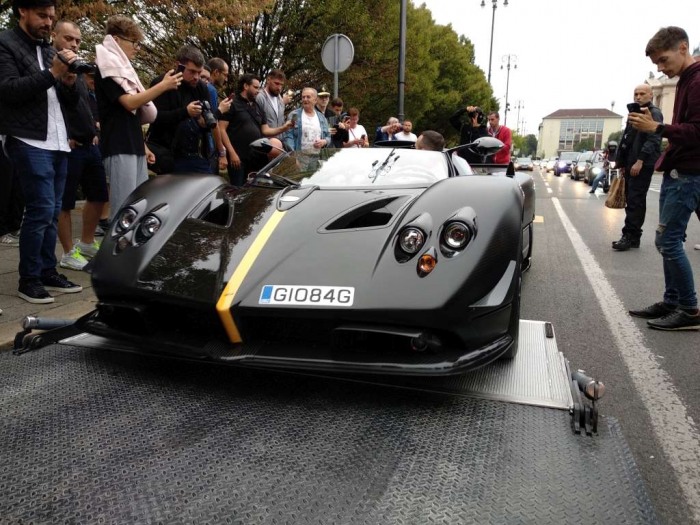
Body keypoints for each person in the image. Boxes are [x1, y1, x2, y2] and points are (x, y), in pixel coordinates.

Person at [0, 0, 84, 304]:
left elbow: (68, 103)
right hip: (28, 139)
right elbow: (8, 89)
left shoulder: (49, 50)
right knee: (40, 210)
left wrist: (71, 83)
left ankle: (48, 271)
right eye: (42, 16)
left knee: (52, 212)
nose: (48, 23)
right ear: (22, 11)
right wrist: (53, 73)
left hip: (59, 140)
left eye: (51, 17)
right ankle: (29, 279)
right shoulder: (5, 43)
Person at [627, 26, 700, 331]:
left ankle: (689, 309)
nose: (659, 67)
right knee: (670, 239)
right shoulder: (686, 80)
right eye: (656, 61)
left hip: (689, 173)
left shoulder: (697, 81)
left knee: (667, 240)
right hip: (679, 170)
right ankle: (672, 301)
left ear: (683, 48)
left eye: (663, 59)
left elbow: (698, 131)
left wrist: (657, 129)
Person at [94, 15, 181, 218]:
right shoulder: (106, 69)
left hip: (134, 146)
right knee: (124, 208)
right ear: (116, 40)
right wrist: (162, 86)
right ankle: (117, 248)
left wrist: (144, 147)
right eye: (134, 42)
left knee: (139, 204)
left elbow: (131, 117)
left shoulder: (123, 70)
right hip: (118, 146)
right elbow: (129, 103)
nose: (137, 48)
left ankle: (132, 247)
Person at [52, 20, 108, 271]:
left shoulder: (79, 72)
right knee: (64, 202)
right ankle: (67, 253)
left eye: (77, 40)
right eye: (68, 38)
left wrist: (93, 130)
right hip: (69, 146)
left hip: (90, 144)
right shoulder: (51, 68)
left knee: (98, 196)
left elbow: (84, 106)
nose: (74, 44)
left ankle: (86, 242)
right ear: (55, 37)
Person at [611, 84, 663, 251]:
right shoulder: (635, 112)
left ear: (651, 95)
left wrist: (640, 161)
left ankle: (629, 235)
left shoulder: (653, 113)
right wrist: (621, 161)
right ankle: (633, 237)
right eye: (636, 94)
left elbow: (654, 139)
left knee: (635, 200)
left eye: (642, 94)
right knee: (631, 199)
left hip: (642, 164)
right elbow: (627, 139)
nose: (638, 97)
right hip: (630, 163)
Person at [148, 45, 212, 174]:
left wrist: (204, 122)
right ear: (179, 65)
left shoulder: (200, 87)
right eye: (192, 72)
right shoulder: (161, 84)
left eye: (199, 72)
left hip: (195, 153)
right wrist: (185, 112)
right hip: (167, 152)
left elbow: (207, 116)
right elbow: (155, 118)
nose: (196, 77)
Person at [218, 73, 291, 186]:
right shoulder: (232, 103)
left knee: (255, 192)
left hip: (256, 158)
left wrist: (284, 128)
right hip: (238, 157)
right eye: (255, 87)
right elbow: (221, 129)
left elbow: (266, 130)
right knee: (238, 190)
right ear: (246, 86)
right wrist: (231, 153)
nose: (258, 90)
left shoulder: (257, 106)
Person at [283, 87, 331, 151]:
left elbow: (328, 136)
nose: (305, 99)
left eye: (308, 97)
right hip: (299, 157)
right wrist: (293, 154)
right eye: (303, 97)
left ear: (315, 100)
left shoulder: (322, 117)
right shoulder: (294, 115)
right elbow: (289, 136)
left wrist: (324, 142)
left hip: (317, 157)